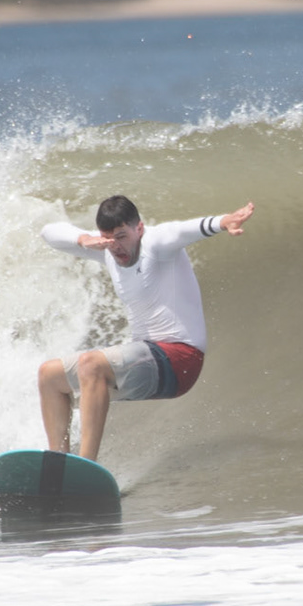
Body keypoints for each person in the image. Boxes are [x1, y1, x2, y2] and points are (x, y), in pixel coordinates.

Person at [37, 194, 255, 460]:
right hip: (148, 356)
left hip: (181, 359)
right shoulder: (106, 248)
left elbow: (186, 230)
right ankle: (58, 463)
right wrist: (84, 240)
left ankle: (85, 464)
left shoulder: (156, 243)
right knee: (49, 376)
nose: (116, 246)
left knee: (91, 365)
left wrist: (225, 221)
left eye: (122, 236)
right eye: (108, 238)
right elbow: (49, 232)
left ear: (139, 228)